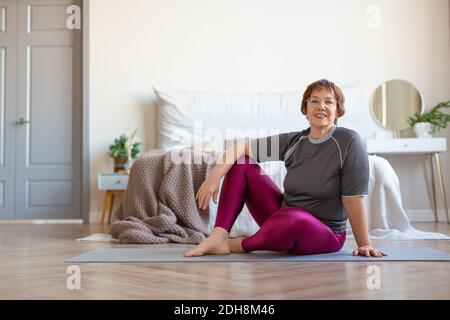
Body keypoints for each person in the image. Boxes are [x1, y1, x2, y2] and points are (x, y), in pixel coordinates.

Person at [184, 79, 387, 258]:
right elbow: (241, 147)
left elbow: (352, 200)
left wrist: (364, 244)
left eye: (328, 101)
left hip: (325, 233)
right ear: (305, 109)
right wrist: (214, 177)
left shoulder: (349, 141)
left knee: (294, 218)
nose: (321, 106)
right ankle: (219, 235)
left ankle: (237, 245)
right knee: (242, 163)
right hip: (283, 219)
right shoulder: (295, 140)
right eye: (314, 101)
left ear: (338, 110)